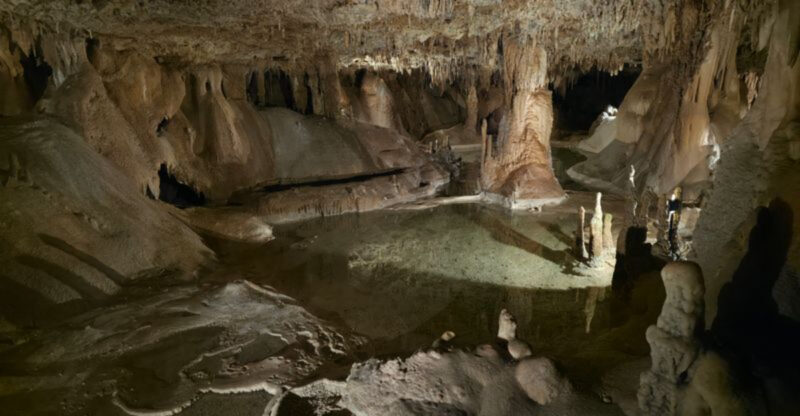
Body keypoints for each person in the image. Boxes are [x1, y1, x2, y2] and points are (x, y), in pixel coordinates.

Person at [666, 187, 682, 260]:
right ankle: (677, 192)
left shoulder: (671, 238)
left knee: (673, 222)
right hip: (672, 220)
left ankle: (677, 192)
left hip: (671, 220)